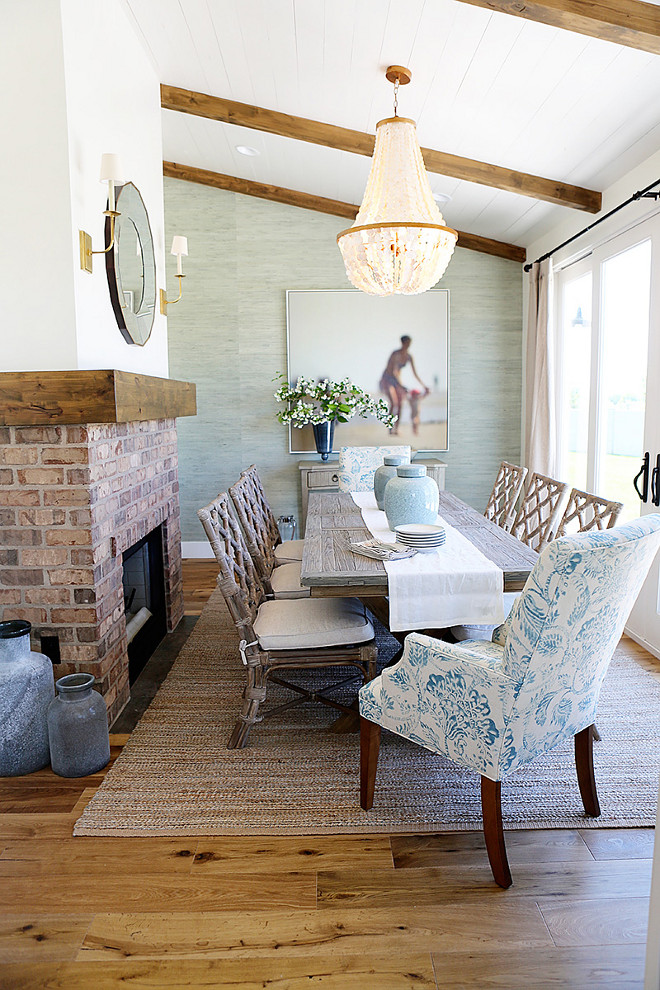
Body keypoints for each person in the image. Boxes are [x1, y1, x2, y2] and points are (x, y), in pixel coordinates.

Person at [379, 336, 429, 434]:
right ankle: (390, 427)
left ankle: (396, 428)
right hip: (388, 379)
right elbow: (394, 371)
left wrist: (424, 386)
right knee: (394, 403)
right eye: (406, 343)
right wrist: (401, 385)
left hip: (397, 380)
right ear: (402, 343)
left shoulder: (409, 357)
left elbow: (415, 373)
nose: (408, 345)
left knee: (400, 404)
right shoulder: (395, 354)